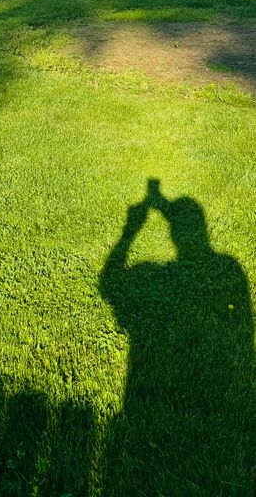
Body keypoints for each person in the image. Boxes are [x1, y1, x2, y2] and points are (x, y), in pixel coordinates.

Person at [100, 179, 255, 494]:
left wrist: (131, 230)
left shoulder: (219, 269)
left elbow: (109, 284)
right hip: (221, 405)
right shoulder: (229, 268)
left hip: (145, 404)